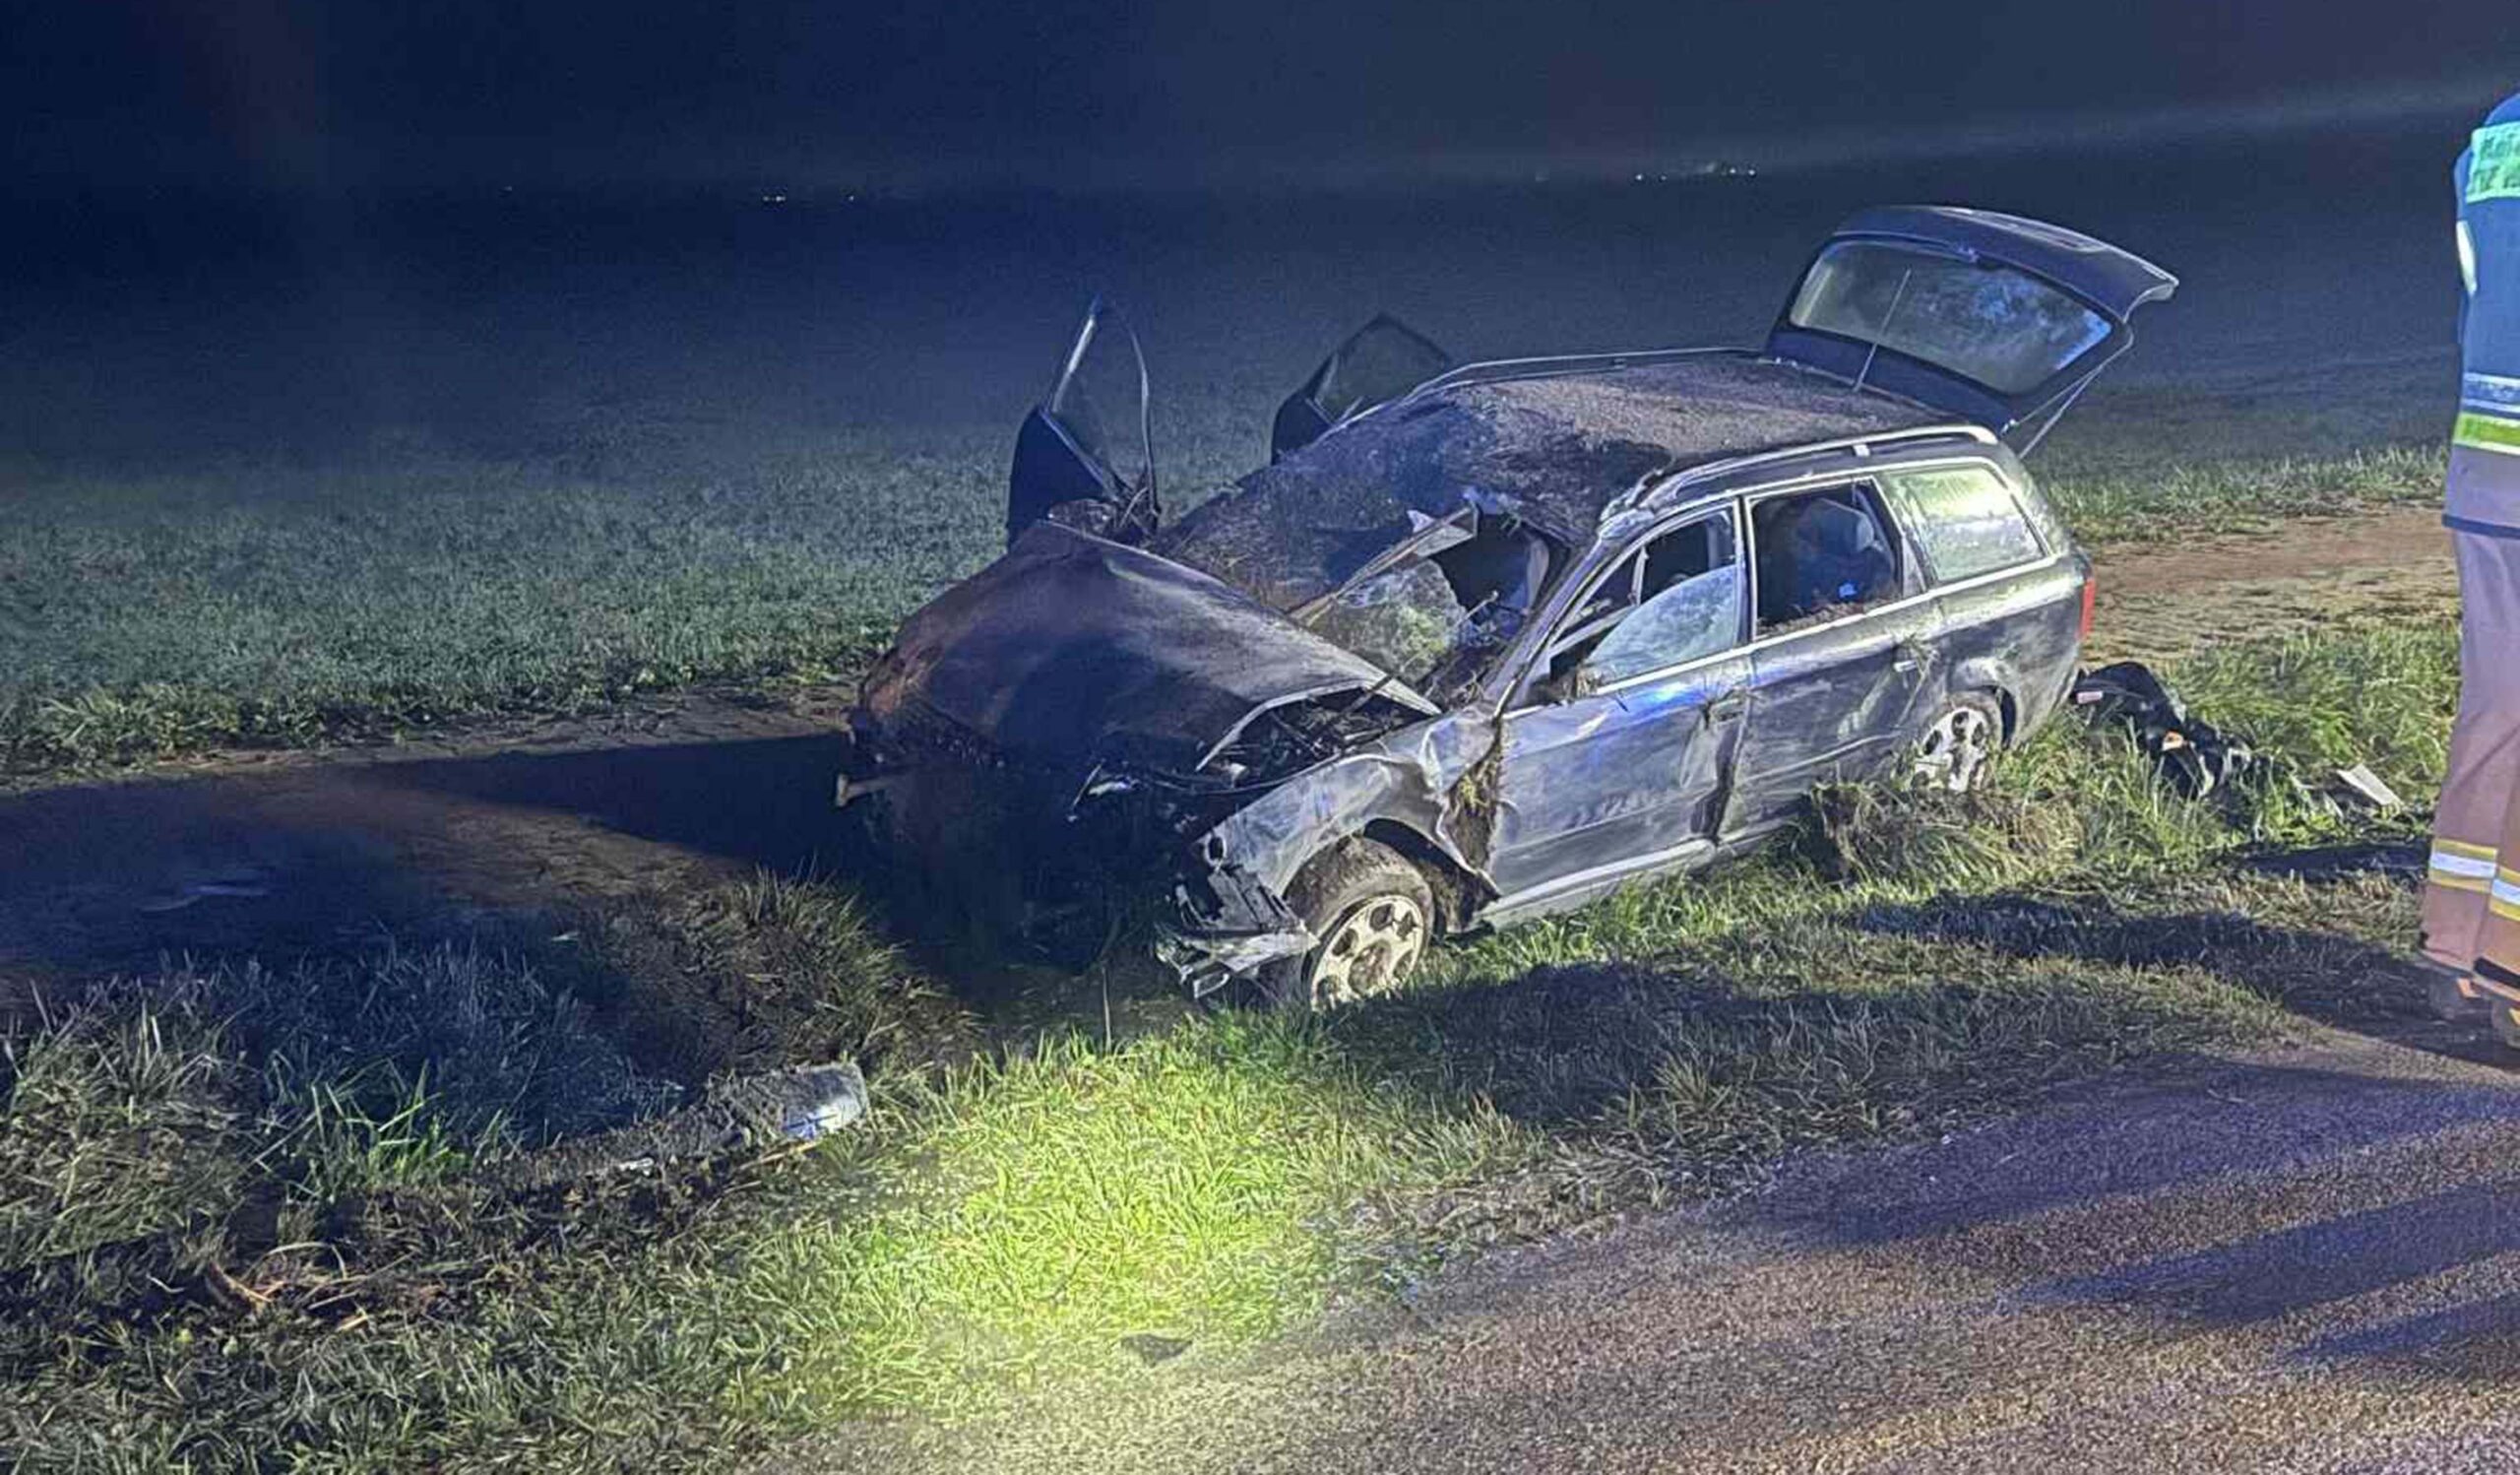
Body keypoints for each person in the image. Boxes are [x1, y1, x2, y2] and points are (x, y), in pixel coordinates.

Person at [2425, 87, 2520, 1035]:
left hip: (2487, 465)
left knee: (2500, 705)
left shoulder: (2495, 135)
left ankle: (2451, 942)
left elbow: (2476, 298)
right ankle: (2509, 970)